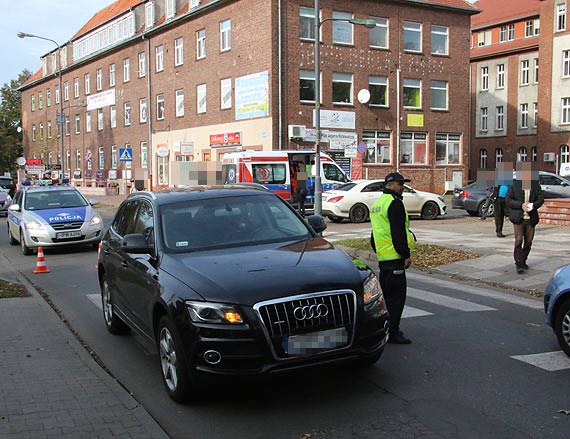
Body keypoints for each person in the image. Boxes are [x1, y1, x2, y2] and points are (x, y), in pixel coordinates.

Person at [370, 172, 416, 344]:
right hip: (395, 258)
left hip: (384, 259)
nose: (402, 186)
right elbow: (398, 233)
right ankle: (393, 332)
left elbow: (374, 235)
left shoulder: (378, 204)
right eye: (399, 184)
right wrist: (405, 254)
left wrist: (380, 252)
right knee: (396, 299)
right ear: (389, 185)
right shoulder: (394, 203)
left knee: (386, 298)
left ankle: (384, 329)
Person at [506, 162, 544, 274]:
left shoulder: (535, 185)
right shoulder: (514, 185)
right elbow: (508, 200)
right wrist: (521, 205)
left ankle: (523, 260)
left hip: (530, 218)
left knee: (528, 241)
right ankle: (518, 263)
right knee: (519, 239)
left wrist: (533, 205)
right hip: (518, 217)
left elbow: (541, 199)